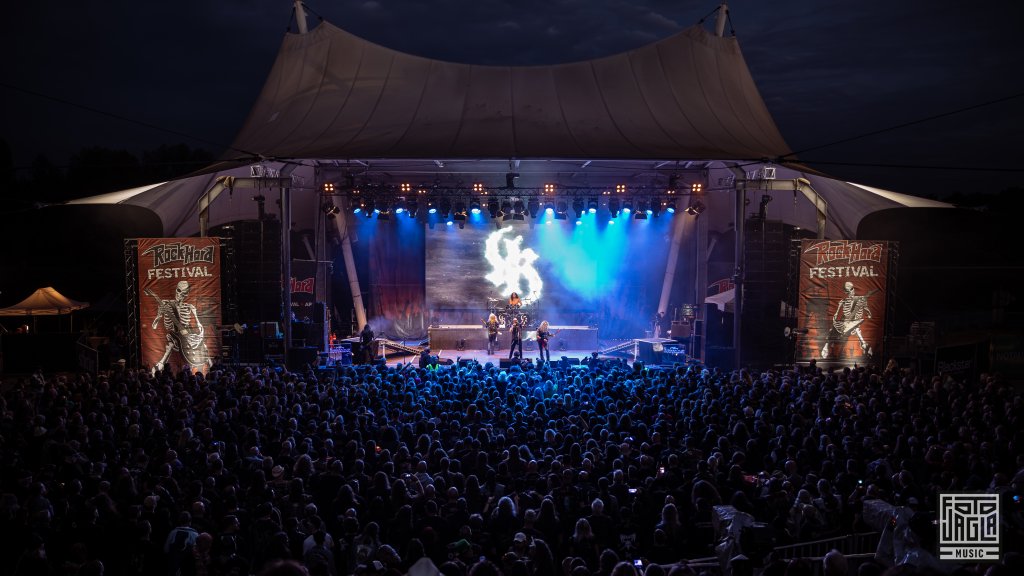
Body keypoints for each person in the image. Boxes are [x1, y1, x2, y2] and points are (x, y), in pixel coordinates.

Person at [148, 280, 212, 373]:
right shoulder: (166, 304)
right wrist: (159, 315)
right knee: (170, 345)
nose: (180, 295)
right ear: (176, 290)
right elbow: (154, 326)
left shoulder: (190, 307)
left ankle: (213, 368)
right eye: (179, 290)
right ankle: (160, 368)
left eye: (184, 293)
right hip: (173, 334)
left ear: (187, 294)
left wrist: (200, 335)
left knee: (204, 345)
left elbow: (199, 324)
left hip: (186, 335)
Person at [821, 282, 874, 359]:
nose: (850, 293)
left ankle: (864, 344)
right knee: (833, 329)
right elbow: (838, 313)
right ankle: (826, 346)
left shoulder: (860, 299)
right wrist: (837, 315)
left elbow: (866, 309)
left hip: (855, 321)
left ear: (853, 290)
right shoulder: (844, 301)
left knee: (855, 328)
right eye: (848, 291)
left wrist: (868, 313)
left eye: (851, 290)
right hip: (845, 321)